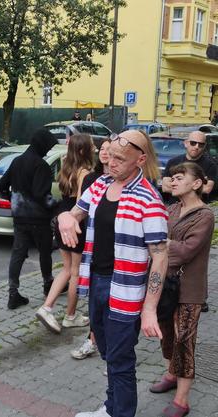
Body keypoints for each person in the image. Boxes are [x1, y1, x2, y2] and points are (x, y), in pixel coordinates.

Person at [58, 129, 168, 417]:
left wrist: (149, 309)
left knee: (120, 360)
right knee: (107, 351)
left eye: (119, 158)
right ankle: (111, 407)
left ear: (140, 159)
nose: (110, 163)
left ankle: (121, 413)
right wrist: (64, 218)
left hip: (125, 291)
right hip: (95, 282)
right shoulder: (101, 185)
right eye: (109, 157)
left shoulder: (149, 200)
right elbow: (75, 212)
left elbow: (160, 257)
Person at [149, 162, 214, 417]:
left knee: (184, 340)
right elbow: (157, 240)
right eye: (171, 178)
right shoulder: (172, 208)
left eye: (179, 177)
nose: (172, 181)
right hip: (167, 286)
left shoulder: (205, 215)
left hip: (189, 289)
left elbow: (186, 251)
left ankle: (182, 400)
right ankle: (171, 373)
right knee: (167, 335)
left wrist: (160, 247)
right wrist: (161, 246)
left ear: (196, 183)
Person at [35, 134, 94, 333]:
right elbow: (81, 203)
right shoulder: (84, 172)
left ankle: (47, 307)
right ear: (83, 149)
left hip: (62, 220)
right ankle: (70, 316)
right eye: (92, 145)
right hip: (75, 224)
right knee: (75, 271)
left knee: (66, 269)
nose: (94, 148)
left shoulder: (65, 168)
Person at [0, 128, 58, 310]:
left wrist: (13, 200)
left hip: (19, 219)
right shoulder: (41, 165)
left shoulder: (17, 161)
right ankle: (48, 286)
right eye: (48, 147)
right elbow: (42, 194)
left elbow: (2, 185)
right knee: (45, 252)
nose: (48, 151)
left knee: (18, 254)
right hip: (39, 220)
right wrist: (58, 206)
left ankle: (13, 293)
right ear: (42, 145)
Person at [70, 138, 110, 360]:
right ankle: (94, 341)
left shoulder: (139, 189)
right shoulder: (94, 180)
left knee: (115, 316)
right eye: (103, 149)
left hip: (120, 263)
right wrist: (67, 218)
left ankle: (113, 355)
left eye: (110, 151)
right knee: (96, 308)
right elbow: (79, 208)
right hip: (94, 251)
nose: (106, 154)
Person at [162, 131, 217, 201]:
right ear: (186, 143)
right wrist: (196, 186)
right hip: (174, 207)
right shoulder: (173, 162)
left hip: (197, 209)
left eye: (201, 144)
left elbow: (207, 189)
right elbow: (165, 187)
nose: (197, 147)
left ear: (205, 146)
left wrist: (177, 186)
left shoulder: (211, 165)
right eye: (193, 143)